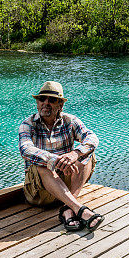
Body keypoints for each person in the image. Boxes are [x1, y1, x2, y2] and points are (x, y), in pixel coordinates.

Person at [18, 80, 104, 231]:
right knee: (41, 165)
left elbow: (92, 138)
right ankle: (80, 209)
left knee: (87, 154)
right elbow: (26, 149)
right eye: (41, 99)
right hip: (40, 193)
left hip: (65, 186)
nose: (46, 103)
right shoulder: (28, 124)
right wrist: (55, 160)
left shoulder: (70, 121)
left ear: (60, 105)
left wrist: (75, 154)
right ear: (37, 103)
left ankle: (68, 208)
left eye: (52, 100)